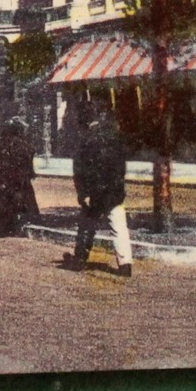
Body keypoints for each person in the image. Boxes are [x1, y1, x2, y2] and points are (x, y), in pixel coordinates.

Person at [62, 101, 132, 277]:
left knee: (87, 225)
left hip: (93, 192)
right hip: (114, 190)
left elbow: (80, 170)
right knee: (119, 227)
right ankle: (125, 265)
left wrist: (83, 193)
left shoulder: (85, 141)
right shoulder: (115, 137)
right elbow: (121, 166)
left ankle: (79, 260)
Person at [0, 118, 38, 236]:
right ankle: (14, 226)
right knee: (15, 201)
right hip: (16, 177)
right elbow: (29, 157)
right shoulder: (23, 143)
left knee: (0, 202)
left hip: (1, 177)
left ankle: (0, 229)